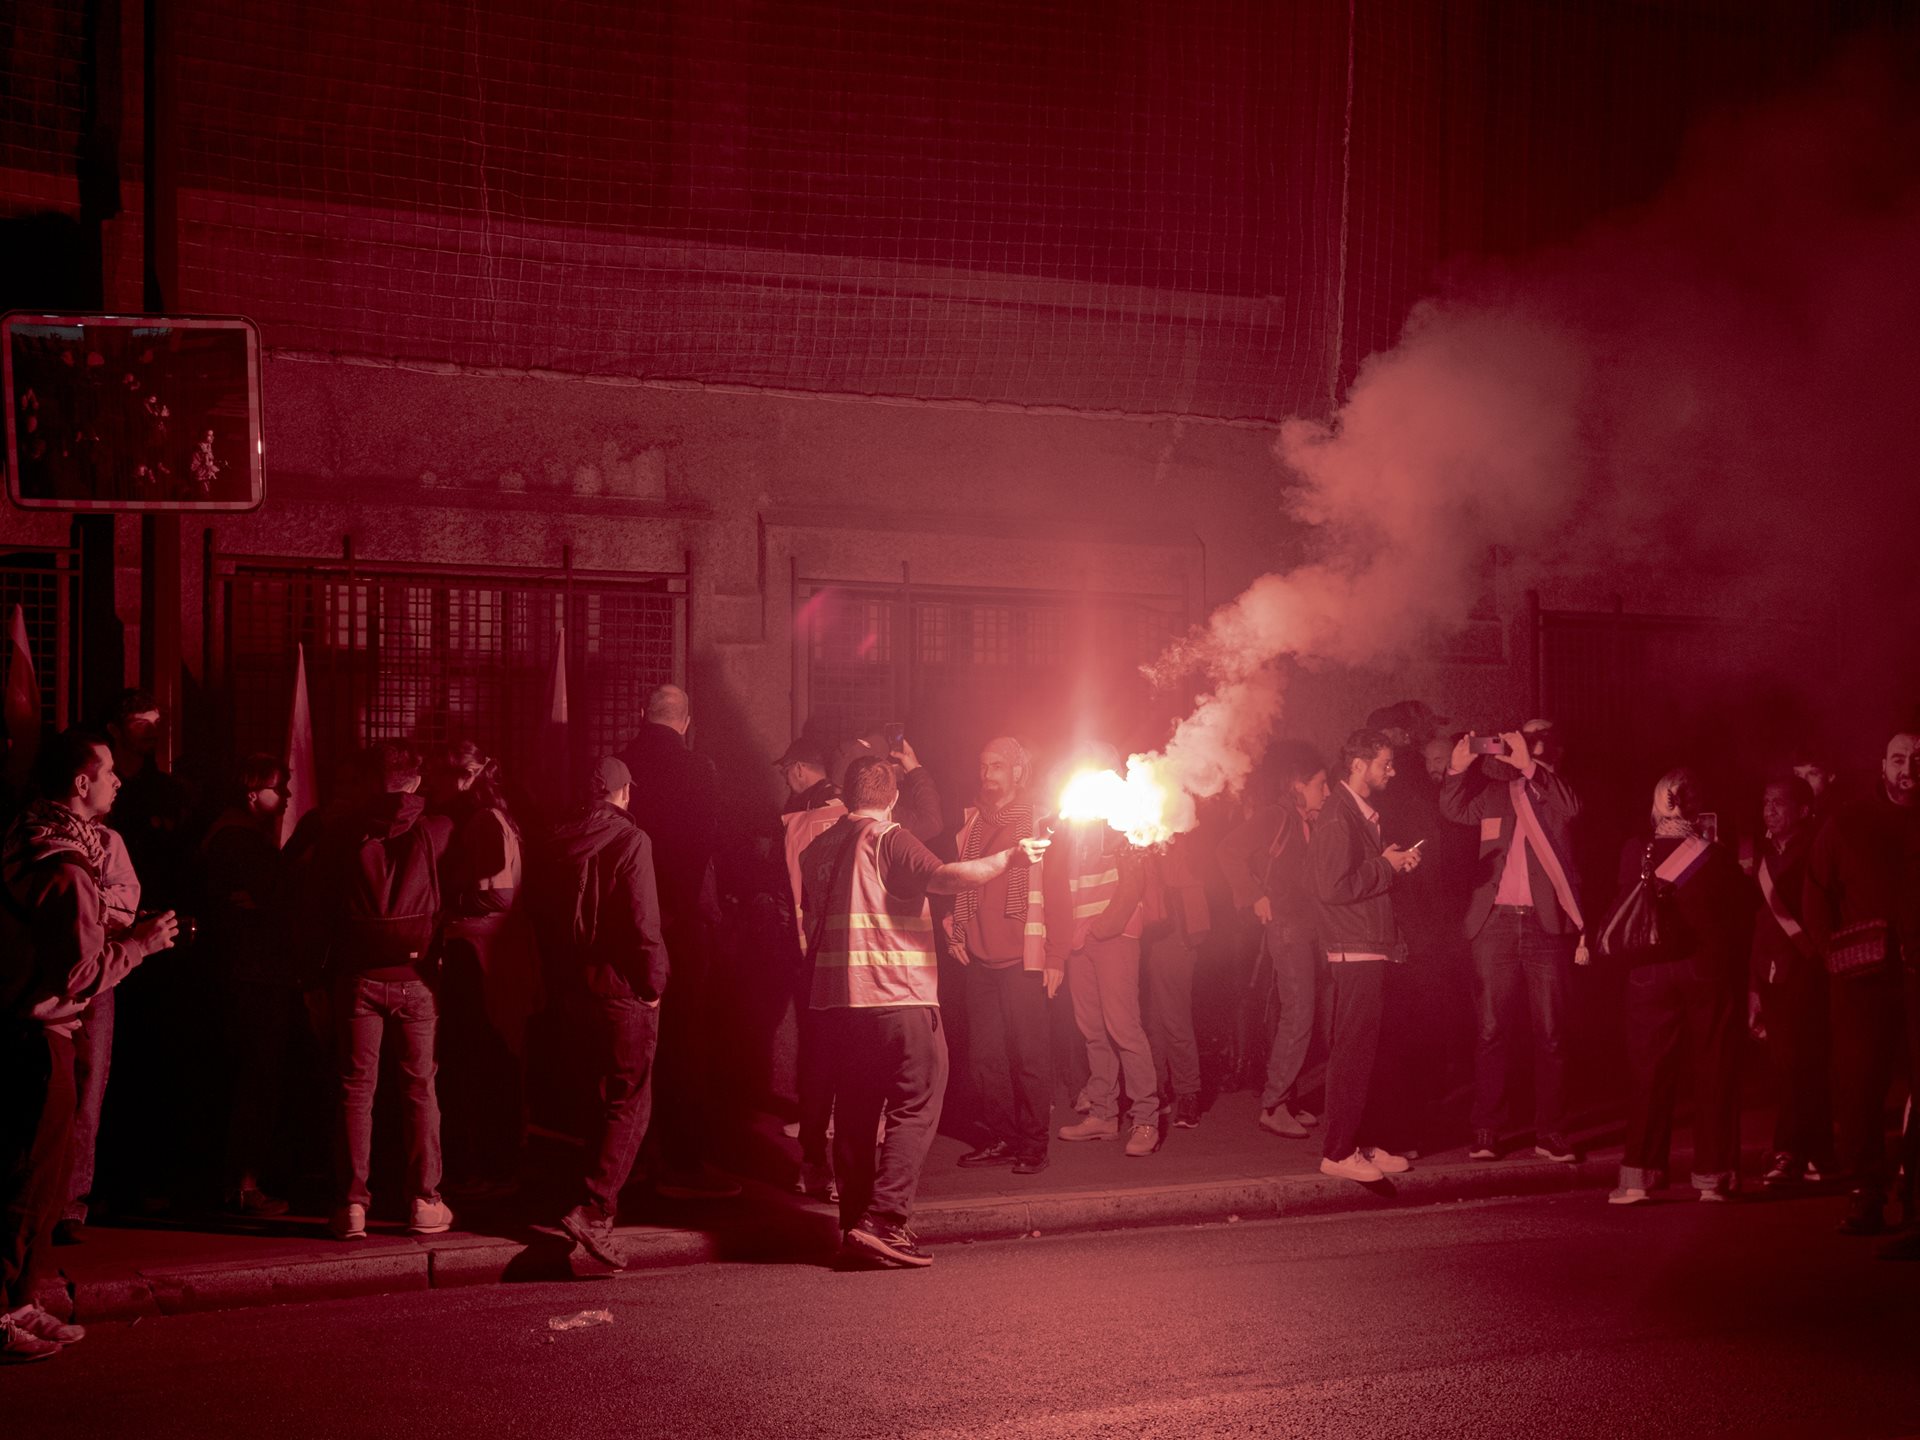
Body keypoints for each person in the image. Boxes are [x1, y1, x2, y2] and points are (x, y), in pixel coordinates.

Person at [800, 755, 1047, 1268]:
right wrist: (1011, 860)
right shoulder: (888, 838)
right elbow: (948, 879)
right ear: (891, 798)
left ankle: (855, 1226)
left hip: (836, 1005)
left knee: (854, 1113)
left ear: (847, 796)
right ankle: (886, 1221)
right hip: (897, 996)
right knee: (916, 1103)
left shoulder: (818, 848)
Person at [1, 728, 176, 1362]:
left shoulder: (28, 834)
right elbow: (77, 972)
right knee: (31, 1181)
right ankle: (7, 1312)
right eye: (108, 771)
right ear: (81, 783)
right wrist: (140, 945)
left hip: (25, 1028)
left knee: (30, 1176)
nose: (118, 780)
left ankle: (20, 1300)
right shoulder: (66, 864)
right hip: (37, 1032)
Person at [310, 741, 455, 1241]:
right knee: (420, 1088)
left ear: (374, 781)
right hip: (417, 982)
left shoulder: (342, 831)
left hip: (357, 976)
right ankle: (423, 1201)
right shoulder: (439, 829)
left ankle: (351, 1205)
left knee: (355, 1090)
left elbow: (320, 907)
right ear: (415, 781)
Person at [537, 755, 672, 1270]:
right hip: (620, 988)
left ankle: (584, 1197)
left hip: (574, 988)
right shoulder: (631, 841)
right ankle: (594, 1211)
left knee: (596, 1097)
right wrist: (653, 982)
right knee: (630, 1099)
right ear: (623, 794)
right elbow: (643, 922)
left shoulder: (555, 841)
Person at [1439, 722, 1585, 1164]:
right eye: (1523, 736)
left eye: (1538, 737)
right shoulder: (1497, 794)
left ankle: (1551, 1132)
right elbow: (1453, 808)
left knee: (1552, 1034)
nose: (1527, 741)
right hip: (1495, 923)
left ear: (1551, 748)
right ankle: (1487, 1129)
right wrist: (1456, 769)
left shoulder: (1556, 792)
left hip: (1545, 927)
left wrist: (1531, 767)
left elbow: (1572, 808)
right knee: (1489, 1031)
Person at [1608, 769, 1754, 1206]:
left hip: (1649, 972)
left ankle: (1637, 1179)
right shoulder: (1718, 857)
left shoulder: (1636, 851)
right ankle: (1713, 1179)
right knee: (1714, 1070)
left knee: (1648, 1074)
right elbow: (1741, 916)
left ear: (1656, 806)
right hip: (1705, 971)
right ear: (1696, 808)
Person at [620, 684, 737, 1201]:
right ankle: (684, 1160)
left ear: (644, 715)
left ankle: (632, 1156)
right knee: (686, 1040)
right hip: (682, 922)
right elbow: (708, 839)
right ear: (686, 722)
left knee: (630, 1042)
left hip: (628, 920)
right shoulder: (700, 770)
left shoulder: (621, 764)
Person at [1801, 729, 1920, 1236]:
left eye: (1917, 759)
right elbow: (1815, 891)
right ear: (1883, 765)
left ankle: (1916, 1199)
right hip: (1861, 982)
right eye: (1899, 759)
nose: (1908, 768)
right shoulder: (1847, 821)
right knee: (1860, 1089)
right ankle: (1865, 1192)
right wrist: (1832, 953)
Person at [431, 740, 542, 1198]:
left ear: (468, 777)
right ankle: (495, 1162)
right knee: (492, 1059)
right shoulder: (496, 818)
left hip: (481, 955)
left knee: (485, 1059)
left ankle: (491, 1166)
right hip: (489, 953)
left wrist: (442, 902)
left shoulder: (484, 822)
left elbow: (499, 893)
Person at [1310, 728, 1421, 1184]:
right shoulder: (1339, 814)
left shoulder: (1356, 813)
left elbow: (1355, 877)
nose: (1391, 771)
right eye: (1384, 764)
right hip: (1353, 947)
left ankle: (1360, 1145)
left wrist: (1390, 864)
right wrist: (1386, 866)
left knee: (1367, 1053)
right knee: (1353, 1053)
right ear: (1358, 764)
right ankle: (1337, 1152)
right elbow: (1331, 887)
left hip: (1367, 945)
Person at [949, 737, 1056, 1176]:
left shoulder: (1039, 821)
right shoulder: (972, 823)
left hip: (1023, 960)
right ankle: (1001, 1137)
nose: (987, 773)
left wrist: (1059, 957)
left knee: (1028, 1055)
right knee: (985, 1057)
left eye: (996, 765)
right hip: (979, 959)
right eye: (983, 765)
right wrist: (956, 930)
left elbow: (1058, 891)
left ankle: (1033, 1144)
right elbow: (959, 881)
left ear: (1017, 771)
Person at [1048, 744, 1160, 1159]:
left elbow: (1133, 884)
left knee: (1124, 1029)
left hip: (1112, 936)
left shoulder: (1127, 814)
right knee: (1093, 1031)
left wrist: (1097, 928)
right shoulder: (1078, 816)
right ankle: (1103, 1114)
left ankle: (1146, 1119)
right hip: (1081, 939)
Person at [199, 753, 297, 1219]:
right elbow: (276, 901)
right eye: (281, 788)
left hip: (242, 972)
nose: (288, 797)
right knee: (255, 1078)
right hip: (253, 974)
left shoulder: (230, 835)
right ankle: (243, 1184)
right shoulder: (240, 841)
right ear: (254, 793)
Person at [1220, 741, 1329, 1140]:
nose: (1326, 791)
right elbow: (1227, 850)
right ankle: (1274, 1104)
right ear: (1298, 785)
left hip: (1303, 925)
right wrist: (1254, 895)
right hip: (1285, 925)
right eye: (1320, 784)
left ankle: (1288, 1098)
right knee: (1298, 1013)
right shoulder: (1274, 816)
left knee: (1298, 1014)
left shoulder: (1305, 820)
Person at [1746, 774, 1829, 1189]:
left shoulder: (1818, 849)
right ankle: (1815, 1149)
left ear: (1803, 810)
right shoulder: (1761, 855)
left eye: (1779, 803)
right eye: (1766, 802)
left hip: (1807, 971)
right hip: (1770, 974)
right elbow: (1759, 925)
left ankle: (1791, 1150)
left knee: (1802, 1064)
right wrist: (1754, 985)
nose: (1770, 810)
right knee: (1788, 1066)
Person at [775, 735, 847, 1200]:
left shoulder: (807, 817)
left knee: (821, 1060)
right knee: (841, 1063)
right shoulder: (848, 822)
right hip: (845, 958)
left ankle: (817, 1164)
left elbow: (791, 883)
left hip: (812, 951)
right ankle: (831, 1168)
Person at [1142, 827, 1213, 1134]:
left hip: (1174, 934)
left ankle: (1188, 1094)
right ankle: (1159, 1092)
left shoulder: (1182, 827)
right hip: (1151, 934)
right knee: (1154, 1023)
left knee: (1174, 1020)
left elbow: (1179, 876)